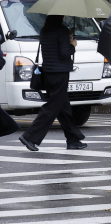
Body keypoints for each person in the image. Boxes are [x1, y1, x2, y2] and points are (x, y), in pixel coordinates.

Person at [18, 14, 86, 151]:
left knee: (63, 107)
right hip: (60, 74)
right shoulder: (62, 30)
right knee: (53, 106)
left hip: (48, 73)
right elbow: (64, 53)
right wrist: (72, 45)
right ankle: (30, 136)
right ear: (60, 17)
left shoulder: (44, 30)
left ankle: (73, 140)